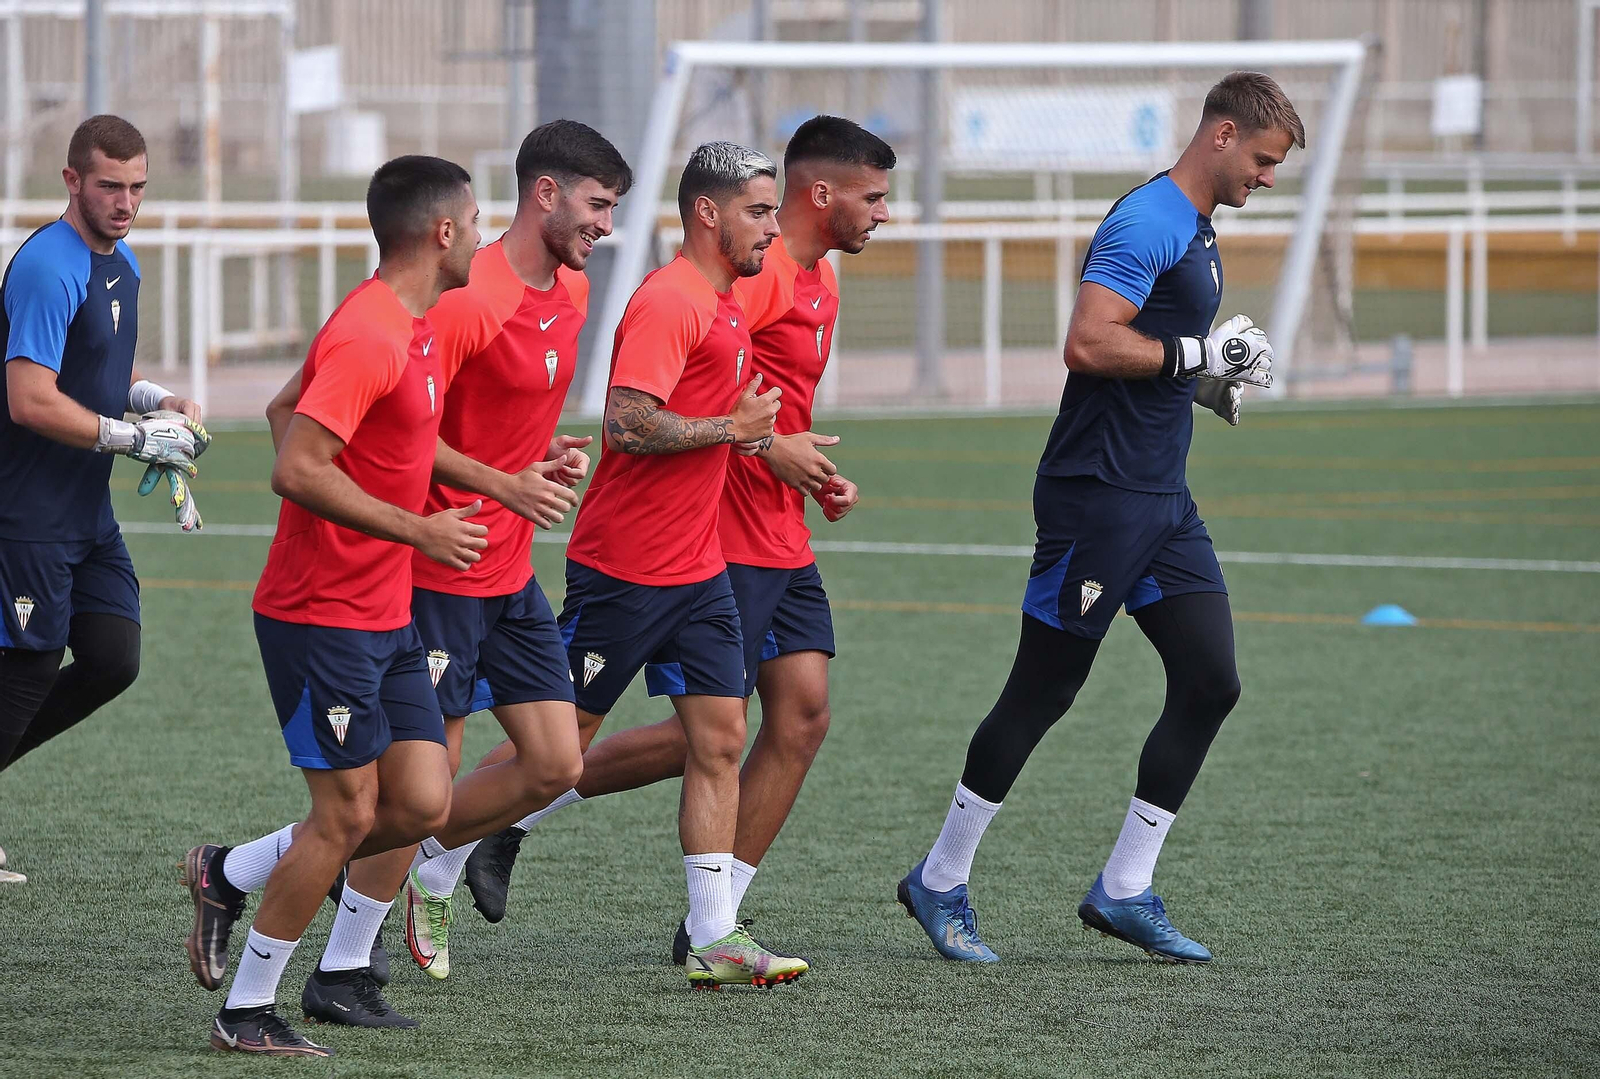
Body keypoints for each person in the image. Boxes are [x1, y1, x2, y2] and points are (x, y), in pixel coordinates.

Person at [462, 117, 894, 970]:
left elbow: (757, 402)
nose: (883, 212)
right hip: (709, 535)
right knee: (654, 735)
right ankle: (468, 824)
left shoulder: (812, 283)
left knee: (790, 718)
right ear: (821, 195)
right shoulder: (744, 282)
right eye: (873, 197)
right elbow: (689, 400)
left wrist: (804, 465)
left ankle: (714, 922)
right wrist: (768, 447)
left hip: (770, 532)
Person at [897, 71, 1298, 965]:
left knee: (1211, 680)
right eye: (1265, 161)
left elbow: (1143, 353)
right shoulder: (1150, 219)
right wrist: (1195, 351)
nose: (1268, 178)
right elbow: (1086, 341)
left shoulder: (1198, 227)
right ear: (1223, 135)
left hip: (1161, 496)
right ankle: (939, 876)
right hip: (1097, 496)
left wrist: (1205, 383)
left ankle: (1124, 888)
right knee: (1043, 691)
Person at [179, 155, 484, 1057]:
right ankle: (246, 1010)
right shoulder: (371, 334)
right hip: (321, 614)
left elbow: (286, 408)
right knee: (346, 814)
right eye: (474, 220)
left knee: (423, 800)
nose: (478, 233)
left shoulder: (415, 327)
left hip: (381, 609)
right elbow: (294, 463)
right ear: (440, 231)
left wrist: (469, 495)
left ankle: (228, 872)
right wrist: (410, 530)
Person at [374, 119, 631, 982]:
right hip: (440, 562)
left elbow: (508, 418)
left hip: (510, 568)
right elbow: (407, 426)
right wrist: (501, 482)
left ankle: (416, 862)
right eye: (597, 205)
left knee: (556, 762)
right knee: (419, 788)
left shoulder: (575, 291)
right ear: (545, 194)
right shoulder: (471, 293)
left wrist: (547, 455)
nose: (604, 224)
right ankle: (332, 952)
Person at [548, 140, 806, 990]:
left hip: (697, 569)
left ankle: (713, 935)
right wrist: (733, 430)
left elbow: (710, 425)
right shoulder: (670, 300)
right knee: (552, 752)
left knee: (722, 738)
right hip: (623, 568)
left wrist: (764, 442)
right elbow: (627, 423)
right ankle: (433, 853)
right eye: (759, 211)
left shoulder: (727, 304)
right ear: (708, 213)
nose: (774, 227)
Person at [0, 115, 206, 885]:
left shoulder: (123, 265)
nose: (126, 202)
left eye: (138, 187)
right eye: (110, 186)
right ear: (72, 181)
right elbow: (28, 399)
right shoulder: (49, 267)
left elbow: (97, 371)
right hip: (25, 512)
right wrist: (132, 438)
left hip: (85, 513)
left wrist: (154, 398)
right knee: (27, 666)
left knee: (113, 657)